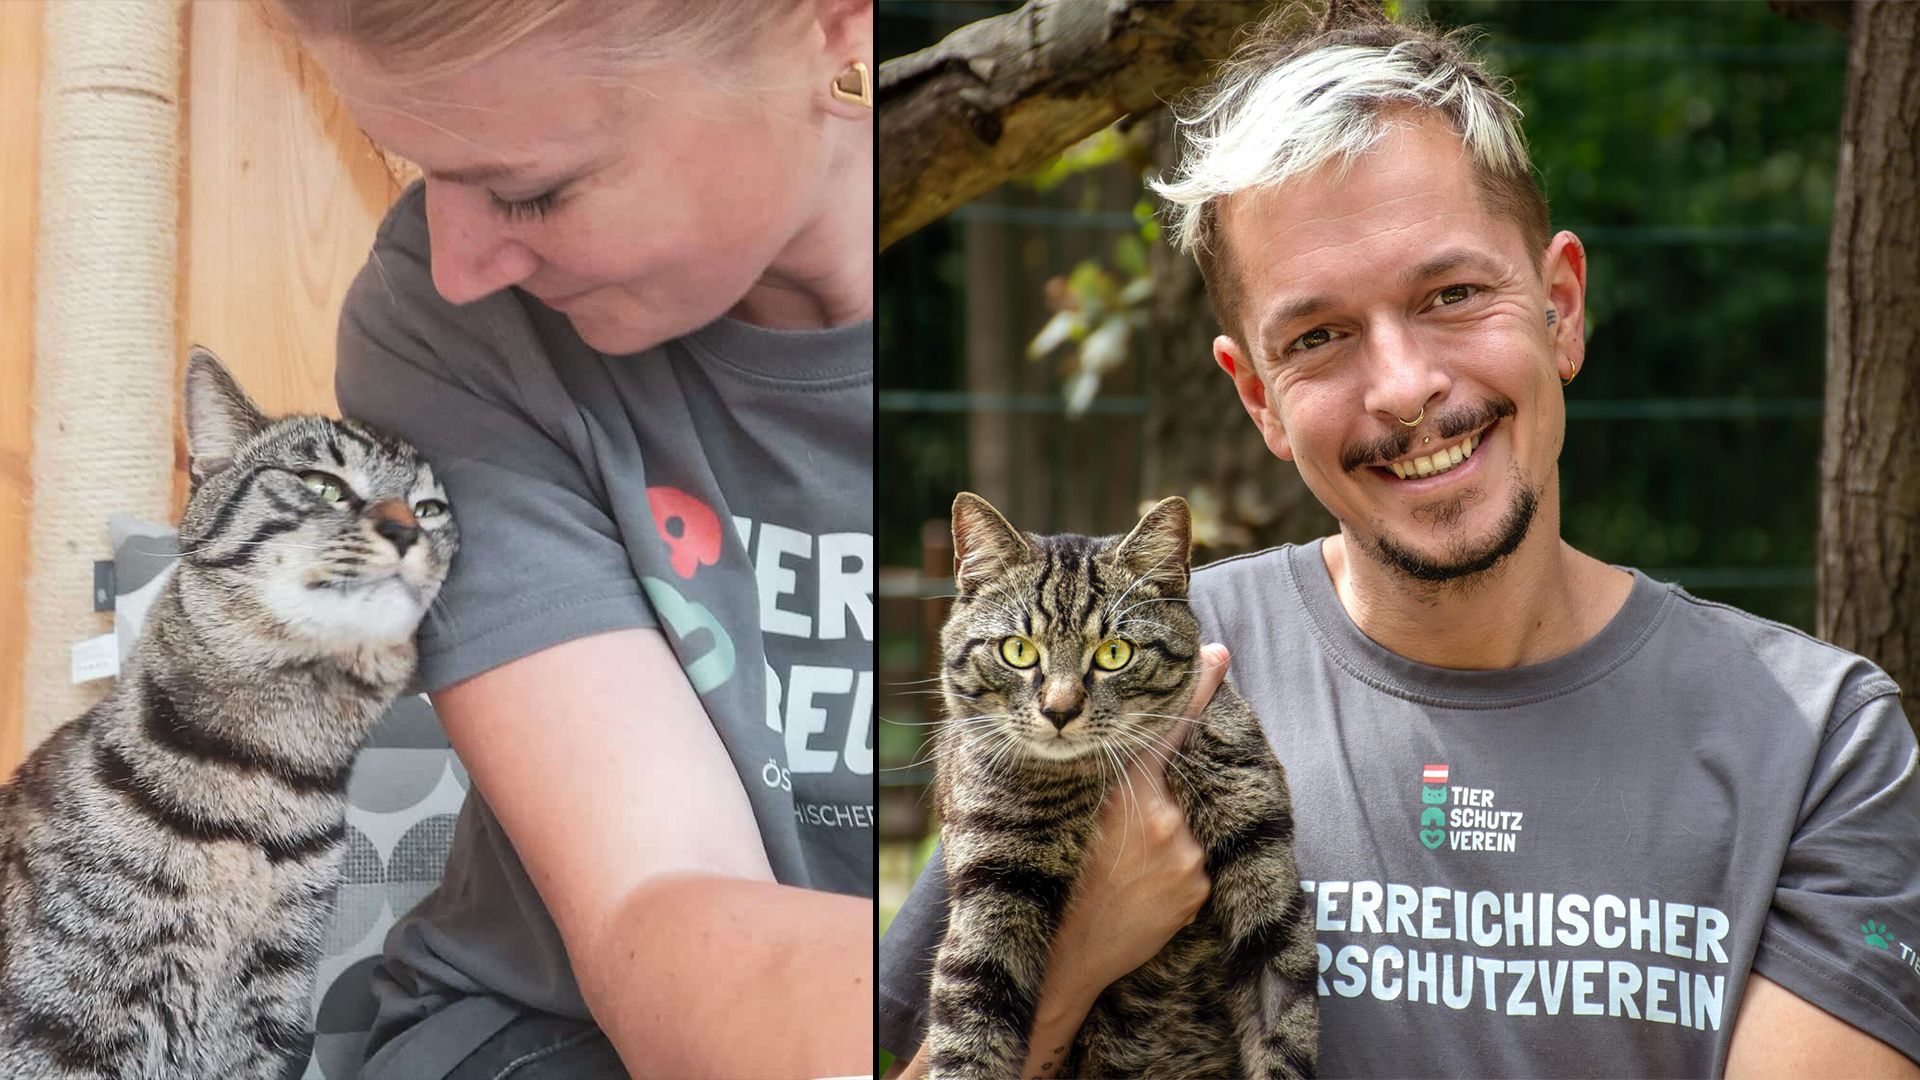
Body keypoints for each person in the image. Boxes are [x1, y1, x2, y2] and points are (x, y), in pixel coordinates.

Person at [878, 13, 1920, 1079]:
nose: (1404, 387)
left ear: (1561, 307)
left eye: (1453, 295)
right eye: (1319, 336)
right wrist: (1072, 966)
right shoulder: (1157, 681)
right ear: (1259, 398)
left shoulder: (1814, 744)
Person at [264, 2, 874, 1077]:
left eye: (529, 192)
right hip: (566, 1030)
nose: (459, 263)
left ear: (833, 30)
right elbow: (662, 907)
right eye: (407, 161)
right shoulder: (445, 326)